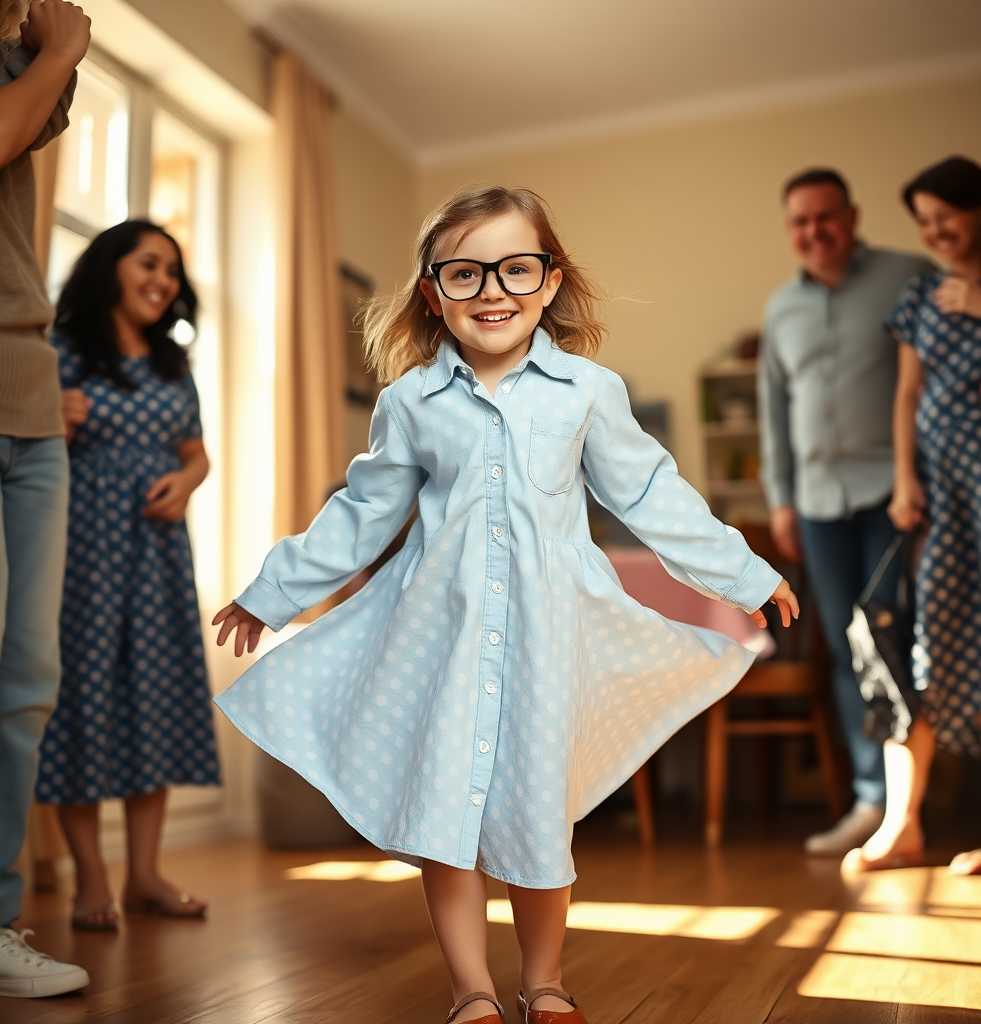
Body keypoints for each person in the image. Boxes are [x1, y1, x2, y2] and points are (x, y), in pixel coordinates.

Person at [212, 184, 798, 1024]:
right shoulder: (409, 403)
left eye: (515, 269)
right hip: (438, 636)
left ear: (549, 282)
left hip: (548, 634)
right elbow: (362, 512)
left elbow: (652, 496)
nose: (492, 290)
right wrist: (271, 594)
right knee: (443, 813)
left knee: (535, 808)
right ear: (434, 293)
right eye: (466, 273)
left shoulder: (588, 391)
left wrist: (746, 575)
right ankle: (472, 992)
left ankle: (544, 982)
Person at [33, 221, 217, 928]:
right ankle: (90, 880)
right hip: (83, 551)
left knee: (156, 698)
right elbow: (28, 448)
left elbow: (196, 454)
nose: (163, 280)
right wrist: (55, 418)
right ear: (111, 268)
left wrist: (189, 480)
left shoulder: (175, 366)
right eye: (150, 264)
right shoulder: (62, 352)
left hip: (158, 552)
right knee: (81, 702)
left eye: (172, 270)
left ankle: (145, 873)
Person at [848, 157, 981, 875]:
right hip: (943, 499)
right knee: (942, 646)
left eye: (943, 215)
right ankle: (916, 825)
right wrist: (904, 479)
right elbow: (907, 395)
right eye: (922, 222)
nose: (934, 231)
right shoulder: (920, 296)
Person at [759, 168, 934, 856]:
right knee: (844, 647)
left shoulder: (908, 276)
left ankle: (909, 806)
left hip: (895, 499)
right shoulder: (781, 309)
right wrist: (780, 501)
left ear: (852, 216)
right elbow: (775, 412)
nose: (814, 232)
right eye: (799, 222)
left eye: (825, 217)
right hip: (817, 507)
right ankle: (871, 802)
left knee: (895, 642)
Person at [0, 0, 91, 999]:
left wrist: (35, 46)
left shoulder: (13, 56)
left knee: (25, 679)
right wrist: (63, 47)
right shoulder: (41, 56)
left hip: (27, 390)